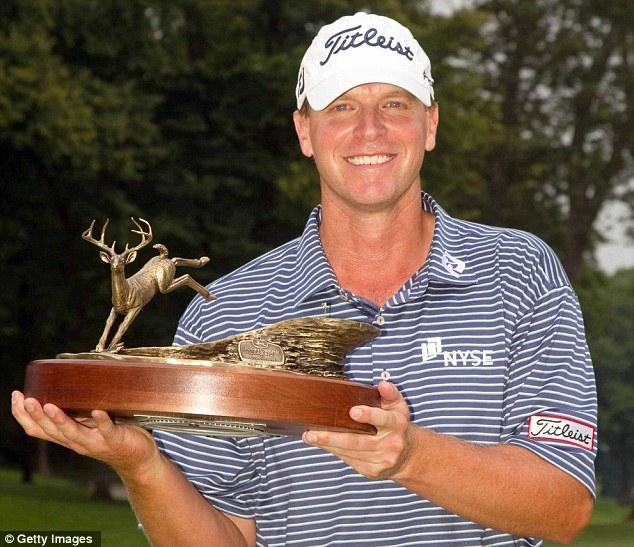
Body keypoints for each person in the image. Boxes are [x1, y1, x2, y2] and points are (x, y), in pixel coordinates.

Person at [12, 12, 596, 547]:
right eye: (340, 106)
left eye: (395, 103)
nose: (370, 129)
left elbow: (564, 505)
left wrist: (410, 455)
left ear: (431, 124)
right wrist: (141, 465)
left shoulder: (520, 271)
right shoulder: (224, 310)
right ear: (304, 131)